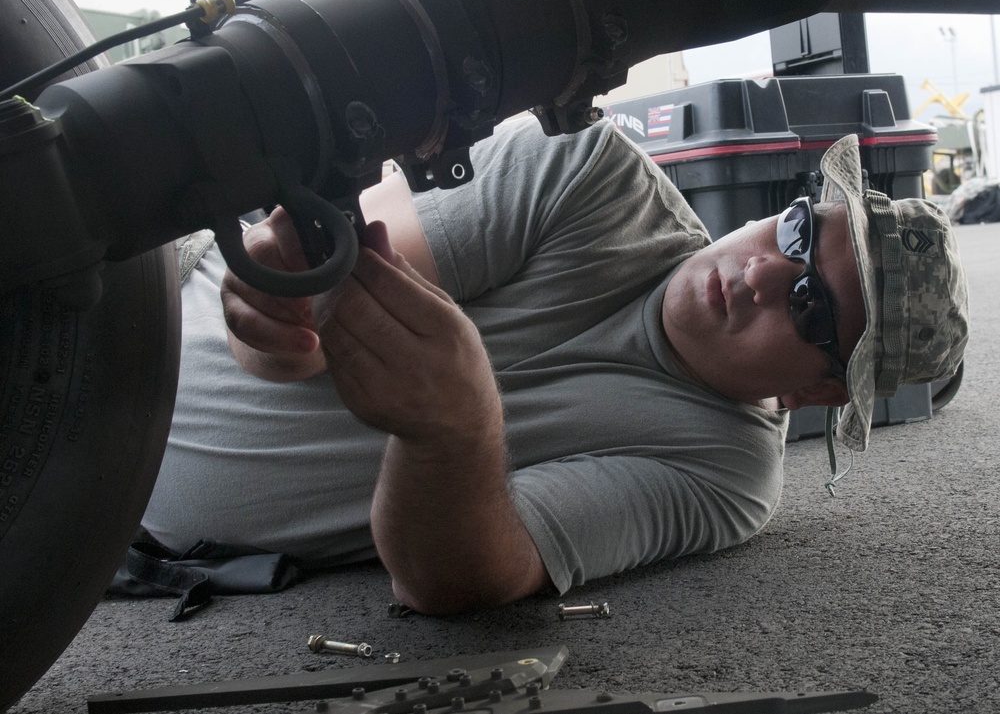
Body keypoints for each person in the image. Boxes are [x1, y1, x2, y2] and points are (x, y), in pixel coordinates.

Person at [142, 117, 969, 614]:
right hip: (133, 319)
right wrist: (275, 296)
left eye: (809, 307)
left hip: (100, 526)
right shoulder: (586, 170)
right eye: (793, 233)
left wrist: (454, 436)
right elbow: (306, 284)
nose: (758, 275)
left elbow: (453, 581)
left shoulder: (726, 477)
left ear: (816, 390)